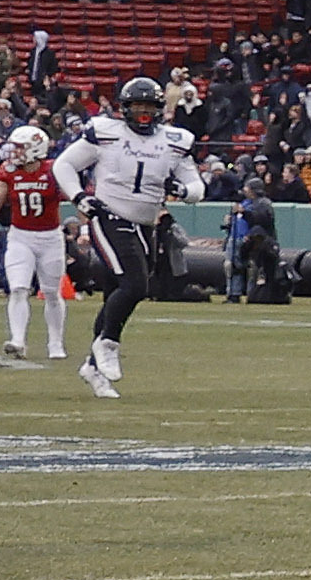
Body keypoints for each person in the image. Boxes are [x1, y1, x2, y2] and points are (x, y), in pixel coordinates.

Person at [53, 76, 202, 401]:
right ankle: (107, 344)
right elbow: (63, 164)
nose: (144, 112)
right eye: (137, 106)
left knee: (115, 295)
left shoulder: (175, 140)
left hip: (145, 224)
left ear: (160, 108)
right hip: (109, 216)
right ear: (125, 108)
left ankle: (93, 367)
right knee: (136, 285)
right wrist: (79, 198)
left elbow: (197, 185)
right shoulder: (106, 133)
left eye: (149, 106)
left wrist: (182, 190)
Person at [0, 122, 68, 361]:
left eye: (20, 147)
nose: (14, 152)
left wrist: (85, 228)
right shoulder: (7, 171)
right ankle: (18, 341)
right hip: (20, 236)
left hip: (50, 238)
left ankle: (56, 343)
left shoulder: (54, 170)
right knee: (18, 288)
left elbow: (76, 194)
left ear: (35, 148)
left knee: (51, 292)